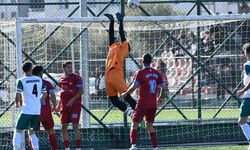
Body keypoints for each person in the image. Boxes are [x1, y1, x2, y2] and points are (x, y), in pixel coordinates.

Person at [122, 54, 167, 150]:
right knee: (149, 125)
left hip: (142, 103)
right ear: (151, 61)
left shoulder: (140, 73)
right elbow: (164, 87)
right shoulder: (157, 73)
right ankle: (155, 147)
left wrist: (125, 93)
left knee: (134, 123)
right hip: (153, 103)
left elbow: (134, 86)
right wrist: (160, 98)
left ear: (142, 61)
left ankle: (133, 146)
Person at [104, 12, 136, 116]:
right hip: (108, 76)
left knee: (127, 97)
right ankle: (131, 113)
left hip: (116, 75)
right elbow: (111, 35)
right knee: (114, 100)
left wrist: (121, 21)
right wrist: (112, 22)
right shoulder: (113, 47)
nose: (122, 42)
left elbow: (122, 34)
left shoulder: (124, 49)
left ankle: (139, 113)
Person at [13, 62, 47, 150]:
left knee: (18, 130)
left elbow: (17, 94)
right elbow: (45, 94)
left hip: (26, 110)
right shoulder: (39, 79)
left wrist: (17, 103)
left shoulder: (21, 80)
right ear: (31, 69)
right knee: (32, 132)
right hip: (36, 111)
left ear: (22, 70)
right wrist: (37, 102)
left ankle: (15, 148)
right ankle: (36, 148)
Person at [29, 65, 57, 150]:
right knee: (51, 131)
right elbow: (52, 95)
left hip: (34, 111)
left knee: (33, 133)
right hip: (46, 111)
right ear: (41, 73)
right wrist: (54, 105)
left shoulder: (29, 83)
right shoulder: (47, 83)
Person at [57, 61, 84, 150]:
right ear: (63, 68)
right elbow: (62, 93)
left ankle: (78, 147)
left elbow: (81, 91)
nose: (70, 69)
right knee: (63, 126)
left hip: (75, 105)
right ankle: (66, 147)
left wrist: (72, 100)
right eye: (68, 67)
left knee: (75, 125)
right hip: (64, 106)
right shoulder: (61, 79)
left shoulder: (76, 78)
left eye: (71, 67)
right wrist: (58, 105)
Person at [238, 43, 250, 150]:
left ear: (246, 52)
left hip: (249, 97)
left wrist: (243, 90)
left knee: (242, 121)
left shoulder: (247, 65)